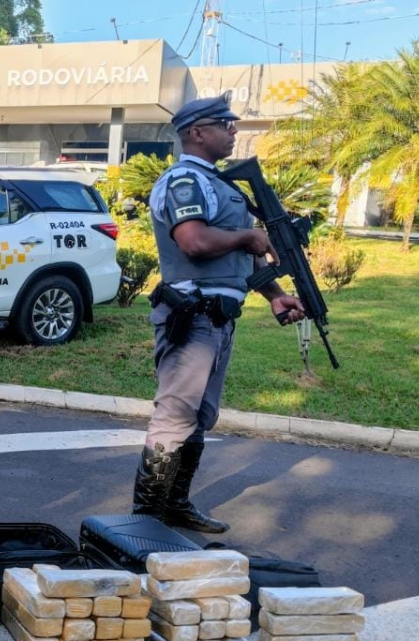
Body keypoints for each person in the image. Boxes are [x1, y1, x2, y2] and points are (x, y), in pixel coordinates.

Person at [130, 94, 305, 534]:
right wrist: (246, 236)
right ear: (195, 132)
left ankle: (175, 505)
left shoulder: (222, 185)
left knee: (201, 416)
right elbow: (194, 242)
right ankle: (145, 520)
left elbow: (239, 260)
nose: (233, 130)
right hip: (192, 316)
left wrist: (275, 295)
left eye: (233, 123)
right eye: (224, 123)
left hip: (221, 317)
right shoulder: (184, 182)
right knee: (175, 414)